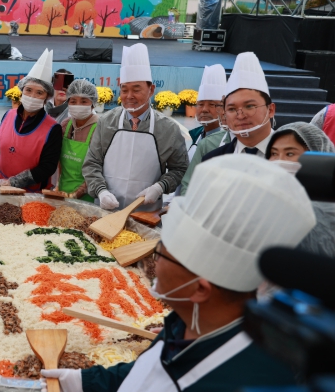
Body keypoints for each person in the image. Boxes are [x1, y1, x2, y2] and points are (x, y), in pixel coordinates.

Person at [41, 155, 316, 392]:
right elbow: (147, 372)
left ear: (200, 289)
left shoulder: (247, 380)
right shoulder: (187, 323)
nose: (153, 265)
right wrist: (83, 382)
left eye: (160, 255)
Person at [82, 43, 188, 212]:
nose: (129, 96)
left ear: (151, 90)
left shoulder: (168, 129)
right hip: (105, 212)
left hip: (146, 214)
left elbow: (180, 169)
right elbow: (91, 163)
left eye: (136, 90)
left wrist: (160, 186)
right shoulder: (106, 122)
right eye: (124, 90)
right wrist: (100, 191)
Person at [0, 49, 63, 191]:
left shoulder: (53, 128)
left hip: (31, 193)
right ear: (22, 90)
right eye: (28, 90)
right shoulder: (8, 115)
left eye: (39, 92)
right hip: (0, 187)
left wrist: (13, 182)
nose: (32, 96)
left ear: (46, 98)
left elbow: (48, 167)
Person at [265, 122, 335, 258]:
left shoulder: (328, 212)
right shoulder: (264, 202)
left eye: (290, 153)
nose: (279, 160)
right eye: (274, 153)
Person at [201, 52, 275, 161]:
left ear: (271, 110)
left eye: (249, 106)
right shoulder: (212, 161)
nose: (240, 116)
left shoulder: (293, 159)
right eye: (231, 109)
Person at [55, 79, 98, 201]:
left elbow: (100, 168)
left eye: (84, 101)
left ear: (93, 103)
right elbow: (59, 162)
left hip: (87, 196)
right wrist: (57, 185)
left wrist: (78, 193)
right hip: (62, 191)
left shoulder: (99, 128)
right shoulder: (66, 125)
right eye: (73, 101)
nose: (78, 105)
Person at [186, 64, 226, 161]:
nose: (204, 109)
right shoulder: (197, 134)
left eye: (212, 104)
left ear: (224, 109)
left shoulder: (226, 141)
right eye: (200, 104)